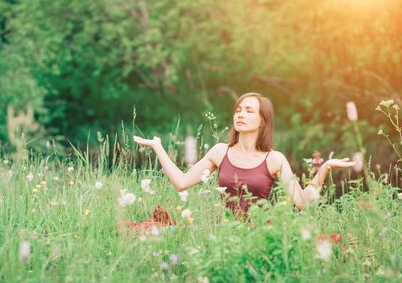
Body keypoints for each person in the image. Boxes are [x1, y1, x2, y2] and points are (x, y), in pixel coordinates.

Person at [133, 92, 355, 217]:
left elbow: (302, 201)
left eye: (249, 111)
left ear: (262, 121)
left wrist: (325, 168)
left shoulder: (274, 159)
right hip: (225, 239)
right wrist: (158, 147)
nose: (240, 114)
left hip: (259, 239)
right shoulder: (220, 152)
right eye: (238, 109)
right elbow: (181, 183)